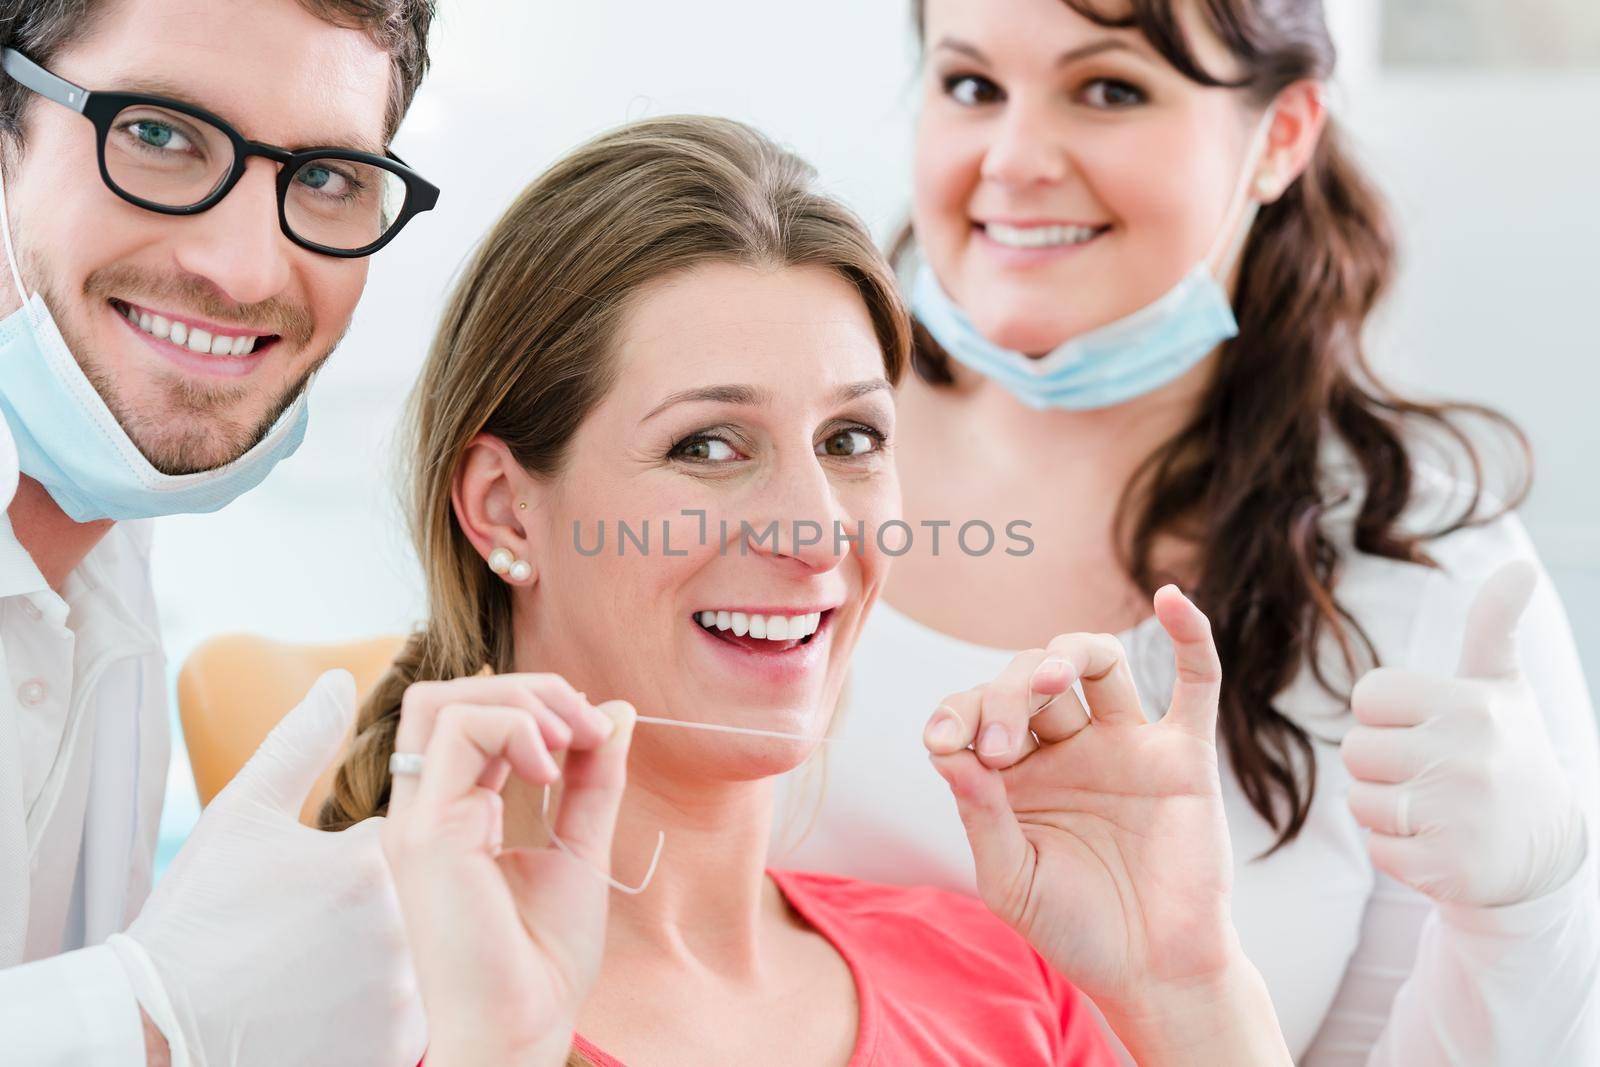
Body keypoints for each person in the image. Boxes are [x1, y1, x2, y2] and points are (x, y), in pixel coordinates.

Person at [324, 115, 1294, 1066]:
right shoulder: (359, 1002)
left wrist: (1186, 985)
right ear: (504, 508)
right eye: (706, 445)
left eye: (851, 439)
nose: (818, 528)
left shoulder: (1003, 984)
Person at [775, 0, 1600, 1062]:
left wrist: (1525, 918)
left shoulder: (1425, 573)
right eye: (972, 86)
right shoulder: (751, 463)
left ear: (1283, 134)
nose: (1015, 160)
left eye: (1110, 88)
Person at [0, 1, 442, 1064]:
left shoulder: (107, 566)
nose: (245, 270)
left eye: (328, 177)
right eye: (157, 133)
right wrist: (153, 1015)